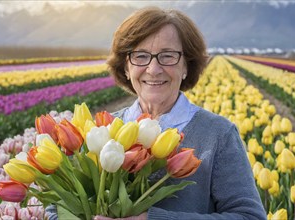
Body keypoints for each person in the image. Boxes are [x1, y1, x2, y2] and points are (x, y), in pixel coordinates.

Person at [96, 6, 266, 220]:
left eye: (168, 56)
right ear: (126, 68)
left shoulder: (219, 136)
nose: (153, 69)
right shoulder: (103, 129)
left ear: (186, 66)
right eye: (140, 56)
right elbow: (58, 206)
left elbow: (250, 217)